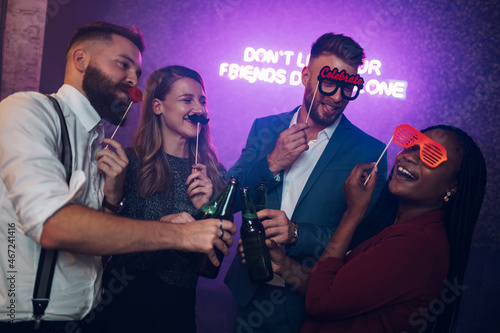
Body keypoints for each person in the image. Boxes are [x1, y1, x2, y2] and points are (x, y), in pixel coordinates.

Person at [0, 22, 236, 332]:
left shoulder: (97, 140)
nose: (132, 80)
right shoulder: (29, 110)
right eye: (123, 65)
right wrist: (181, 234)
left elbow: (100, 245)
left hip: (102, 317)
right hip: (39, 319)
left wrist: (204, 210)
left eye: (137, 73)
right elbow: (54, 226)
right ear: (81, 60)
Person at [246, 125, 486, 332]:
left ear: (453, 187)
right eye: (412, 145)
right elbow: (335, 289)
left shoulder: (416, 243)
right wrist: (284, 265)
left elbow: (320, 301)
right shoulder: (401, 228)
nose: (410, 157)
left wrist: (353, 212)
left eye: (431, 155)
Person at [224, 32, 388, 332]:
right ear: (305, 76)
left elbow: (365, 240)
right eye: (328, 82)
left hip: (309, 299)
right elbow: (229, 199)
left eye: (348, 87)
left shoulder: (370, 152)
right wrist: (272, 162)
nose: (338, 97)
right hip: (249, 289)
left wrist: (298, 233)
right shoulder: (264, 127)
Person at [100, 65, 229, 333]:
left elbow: (212, 265)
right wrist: (165, 229)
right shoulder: (129, 163)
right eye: (187, 100)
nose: (200, 109)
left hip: (178, 312)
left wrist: (207, 211)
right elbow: (108, 250)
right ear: (157, 106)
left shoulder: (215, 172)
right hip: (122, 304)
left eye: (202, 101)